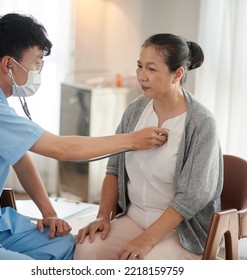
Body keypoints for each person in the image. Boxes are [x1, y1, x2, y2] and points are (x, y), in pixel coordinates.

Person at [0, 13, 168, 260]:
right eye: (35, 63)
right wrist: (132, 140)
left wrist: (49, 213)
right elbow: (61, 149)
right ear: (8, 63)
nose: (38, 70)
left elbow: (20, 157)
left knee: (69, 247)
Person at [73, 33, 223, 260]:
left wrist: (146, 240)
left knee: (144, 264)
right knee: (87, 248)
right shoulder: (136, 110)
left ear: (178, 74)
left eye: (152, 69)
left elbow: (191, 198)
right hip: (134, 218)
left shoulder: (201, 123)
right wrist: (103, 217)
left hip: (179, 230)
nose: (142, 76)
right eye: (139, 66)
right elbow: (113, 169)